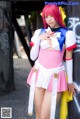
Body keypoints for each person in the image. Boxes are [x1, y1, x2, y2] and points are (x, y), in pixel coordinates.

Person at [27, 3, 77, 119]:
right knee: (38, 113)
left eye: (51, 16)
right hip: (38, 73)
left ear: (57, 15)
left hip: (55, 76)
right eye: (46, 16)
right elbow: (33, 57)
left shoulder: (68, 34)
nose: (48, 19)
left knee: (45, 116)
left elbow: (69, 58)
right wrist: (39, 40)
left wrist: (70, 81)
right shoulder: (39, 32)